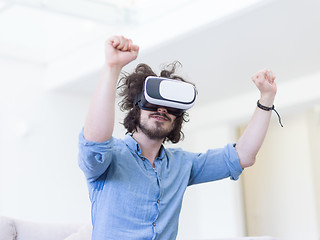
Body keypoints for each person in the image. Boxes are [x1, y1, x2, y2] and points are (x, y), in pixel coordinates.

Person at [78, 35, 278, 240]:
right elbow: (95, 143)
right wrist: (113, 67)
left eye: (171, 107)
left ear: (177, 118)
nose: (162, 109)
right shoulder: (111, 157)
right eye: (152, 102)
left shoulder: (182, 164)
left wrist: (266, 98)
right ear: (136, 107)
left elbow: (243, 155)